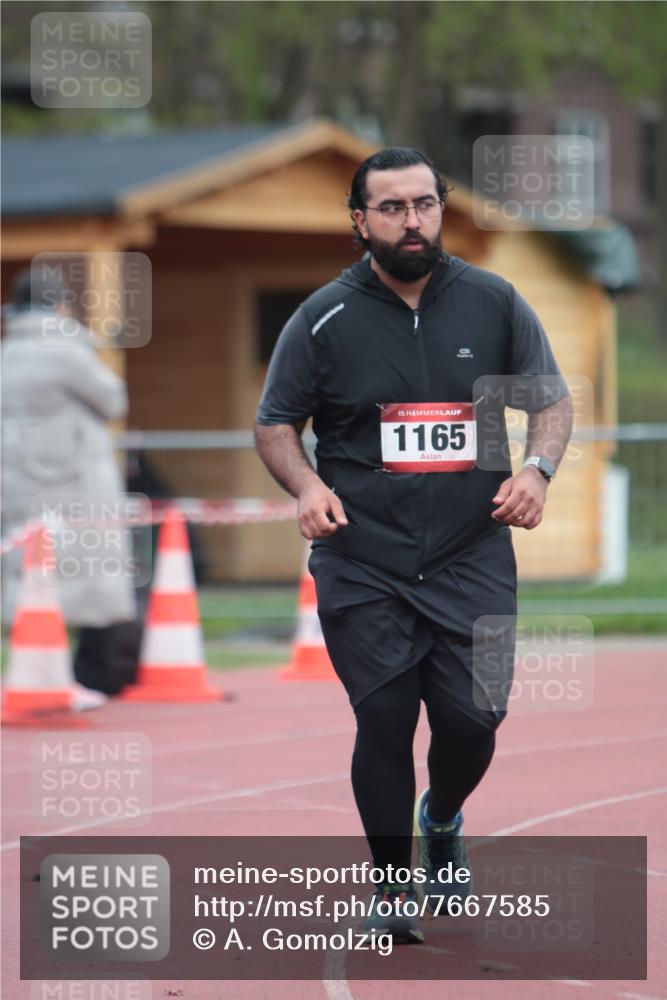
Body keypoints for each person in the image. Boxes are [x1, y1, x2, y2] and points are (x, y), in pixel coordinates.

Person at [254, 148, 572, 943]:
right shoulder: (323, 316)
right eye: (391, 208)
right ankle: (393, 886)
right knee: (386, 717)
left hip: (472, 553)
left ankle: (442, 814)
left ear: (441, 209)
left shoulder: (492, 301)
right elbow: (274, 424)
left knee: (475, 720)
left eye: (424, 204)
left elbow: (550, 402)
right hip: (363, 557)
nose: (411, 221)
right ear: (360, 220)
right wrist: (306, 486)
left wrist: (535, 470)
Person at [1, 268, 141, 701]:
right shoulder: (63, 349)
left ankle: (36, 671)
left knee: (32, 577)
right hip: (72, 482)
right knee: (90, 579)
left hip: (16, 481)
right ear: (59, 305)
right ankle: (86, 677)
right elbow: (114, 399)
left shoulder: (7, 350)